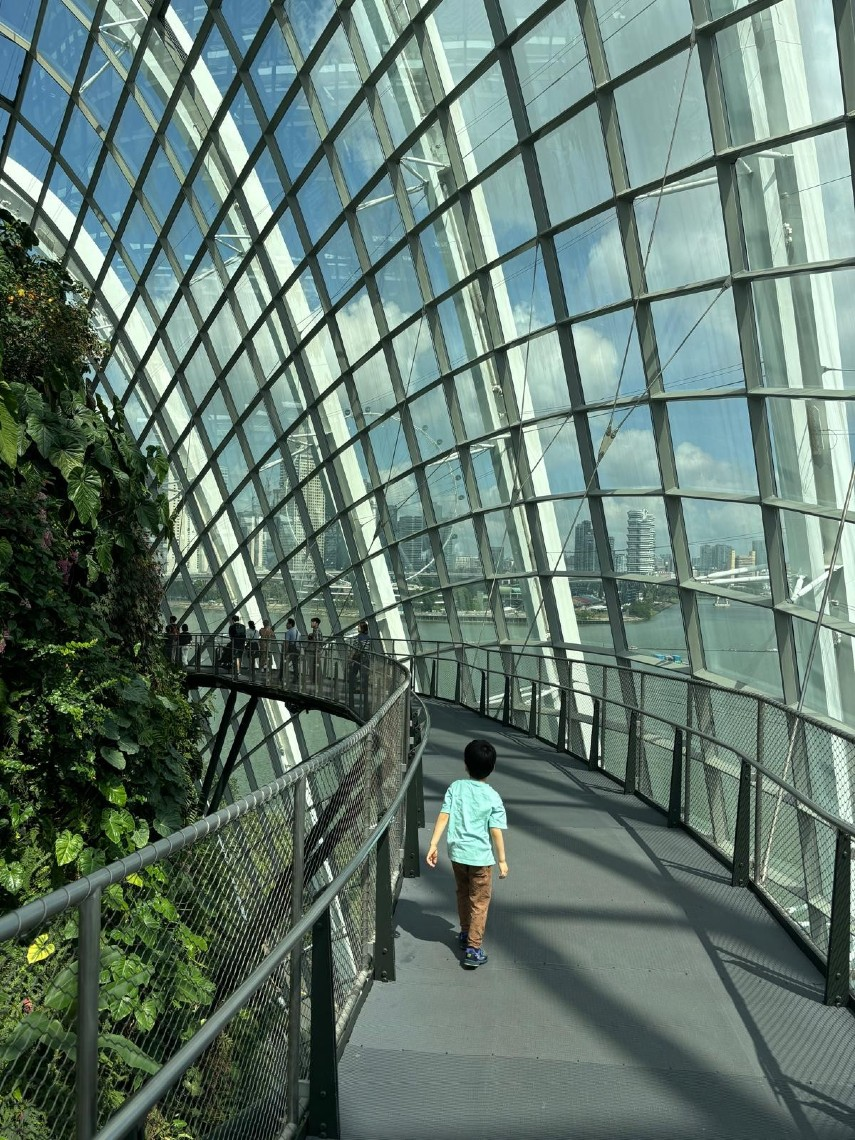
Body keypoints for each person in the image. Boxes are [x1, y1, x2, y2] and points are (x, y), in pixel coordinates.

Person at [426, 739, 508, 969]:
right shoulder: (493, 796)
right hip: (481, 858)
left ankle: (464, 933)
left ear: (465, 764)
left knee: (463, 893)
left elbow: (444, 816)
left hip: (458, 854)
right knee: (479, 901)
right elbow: (495, 831)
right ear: (491, 768)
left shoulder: (456, 788)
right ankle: (473, 948)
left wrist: (433, 844)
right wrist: (501, 860)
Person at [349, 621, 371, 705]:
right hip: (366, 658)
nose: (357, 628)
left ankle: (353, 688)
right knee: (364, 674)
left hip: (358, 658)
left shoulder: (357, 638)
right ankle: (363, 689)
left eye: (358, 627)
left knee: (353, 673)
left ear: (362, 628)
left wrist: (350, 658)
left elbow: (354, 649)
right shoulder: (368, 637)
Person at [306, 616, 324, 689]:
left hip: (316, 652)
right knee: (315, 666)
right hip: (316, 652)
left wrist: (317, 652)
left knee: (315, 667)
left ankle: (316, 682)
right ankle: (315, 681)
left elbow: (317, 643)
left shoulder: (316, 631)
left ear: (316, 623)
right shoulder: (315, 631)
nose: (311, 623)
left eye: (312, 622)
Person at [283, 617, 301, 683]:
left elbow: (287, 643)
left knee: (284, 662)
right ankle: (296, 678)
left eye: (287, 624)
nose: (286, 625)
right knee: (295, 664)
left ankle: (283, 677)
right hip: (297, 649)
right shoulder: (298, 632)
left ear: (290, 624)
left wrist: (286, 652)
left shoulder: (288, 632)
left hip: (291, 649)